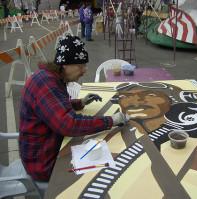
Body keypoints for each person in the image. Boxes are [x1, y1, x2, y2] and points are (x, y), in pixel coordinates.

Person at [19, 36, 126, 193]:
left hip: (42, 150)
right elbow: (69, 124)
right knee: (104, 169)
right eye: (81, 65)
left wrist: (79, 103)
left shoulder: (48, 78)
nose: (84, 70)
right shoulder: (47, 85)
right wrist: (110, 121)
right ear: (66, 64)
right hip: (43, 163)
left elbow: (53, 107)